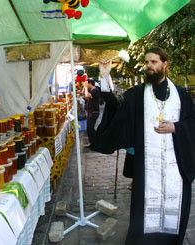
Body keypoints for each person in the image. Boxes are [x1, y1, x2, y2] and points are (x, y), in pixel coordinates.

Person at [91, 46, 195, 244]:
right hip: (147, 167)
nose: (149, 66)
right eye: (147, 62)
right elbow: (115, 106)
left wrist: (176, 127)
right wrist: (105, 77)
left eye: (154, 62)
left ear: (165, 64)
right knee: (143, 210)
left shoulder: (181, 95)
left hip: (176, 165)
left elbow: (193, 122)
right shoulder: (139, 94)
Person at [82, 77, 101, 147]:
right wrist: (85, 87)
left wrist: (86, 87)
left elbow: (87, 95)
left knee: (90, 128)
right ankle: (93, 143)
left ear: (90, 83)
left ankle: (96, 142)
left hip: (94, 112)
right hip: (90, 111)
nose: (86, 85)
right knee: (89, 128)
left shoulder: (95, 90)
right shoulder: (91, 90)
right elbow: (84, 94)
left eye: (87, 84)